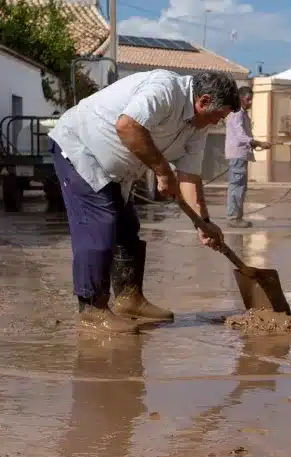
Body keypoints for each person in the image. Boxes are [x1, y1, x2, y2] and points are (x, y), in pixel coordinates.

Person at [48, 70, 236, 335]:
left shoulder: (197, 127)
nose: (217, 123)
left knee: (127, 227)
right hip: (81, 149)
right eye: (218, 116)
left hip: (117, 170)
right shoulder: (165, 88)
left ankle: (129, 300)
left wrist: (203, 223)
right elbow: (128, 125)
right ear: (203, 101)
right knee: (100, 225)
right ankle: (92, 310)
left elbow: (190, 177)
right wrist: (161, 169)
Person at [224, 86, 272, 228]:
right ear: (240, 99)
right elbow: (240, 136)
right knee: (237, 187)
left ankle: (237, 217)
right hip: (237, 155)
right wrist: (258, 143)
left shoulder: (243, 114)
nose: (250, 102)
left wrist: (257, 144)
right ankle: (233, 218)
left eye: (251, 99)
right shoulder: (237, 113)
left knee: (241, 187)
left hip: (241, 155)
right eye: (248, 99)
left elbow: (244, 137)